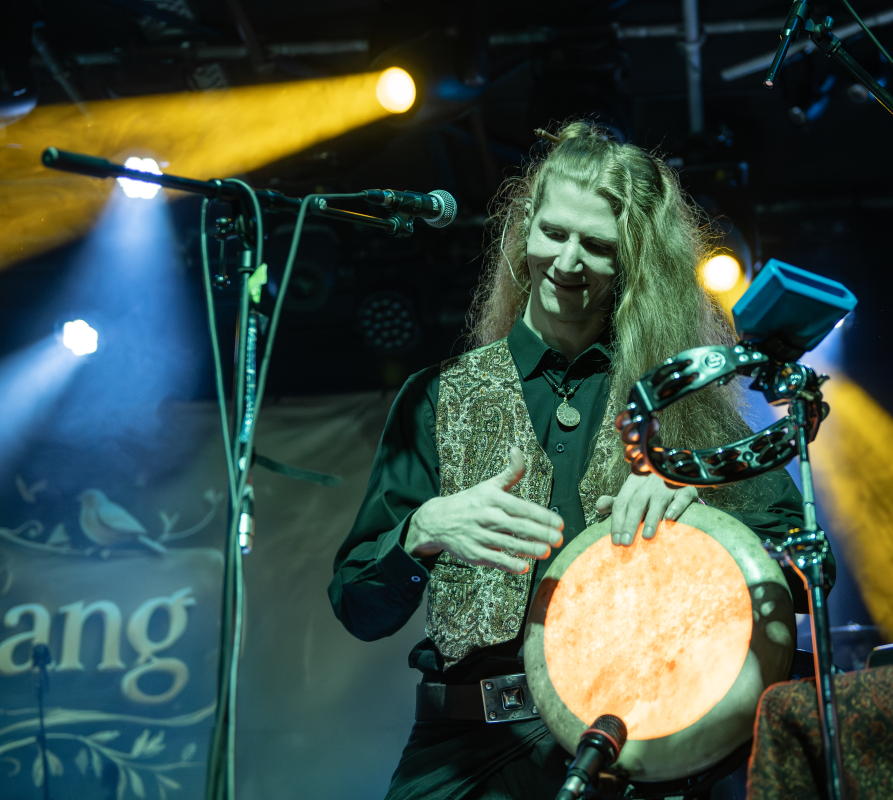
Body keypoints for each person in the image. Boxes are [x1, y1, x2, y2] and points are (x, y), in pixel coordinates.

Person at [329, 121, 820, 800]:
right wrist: (423, 532)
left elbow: (805, 570)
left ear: (633, 260)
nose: (567, 260)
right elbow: (359, 608)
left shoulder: (679, 403)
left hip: (637, 753)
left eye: (596, 245)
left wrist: (700, 529)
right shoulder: (435, 398)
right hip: (466, 758)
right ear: (524, 229)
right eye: (554, 232)